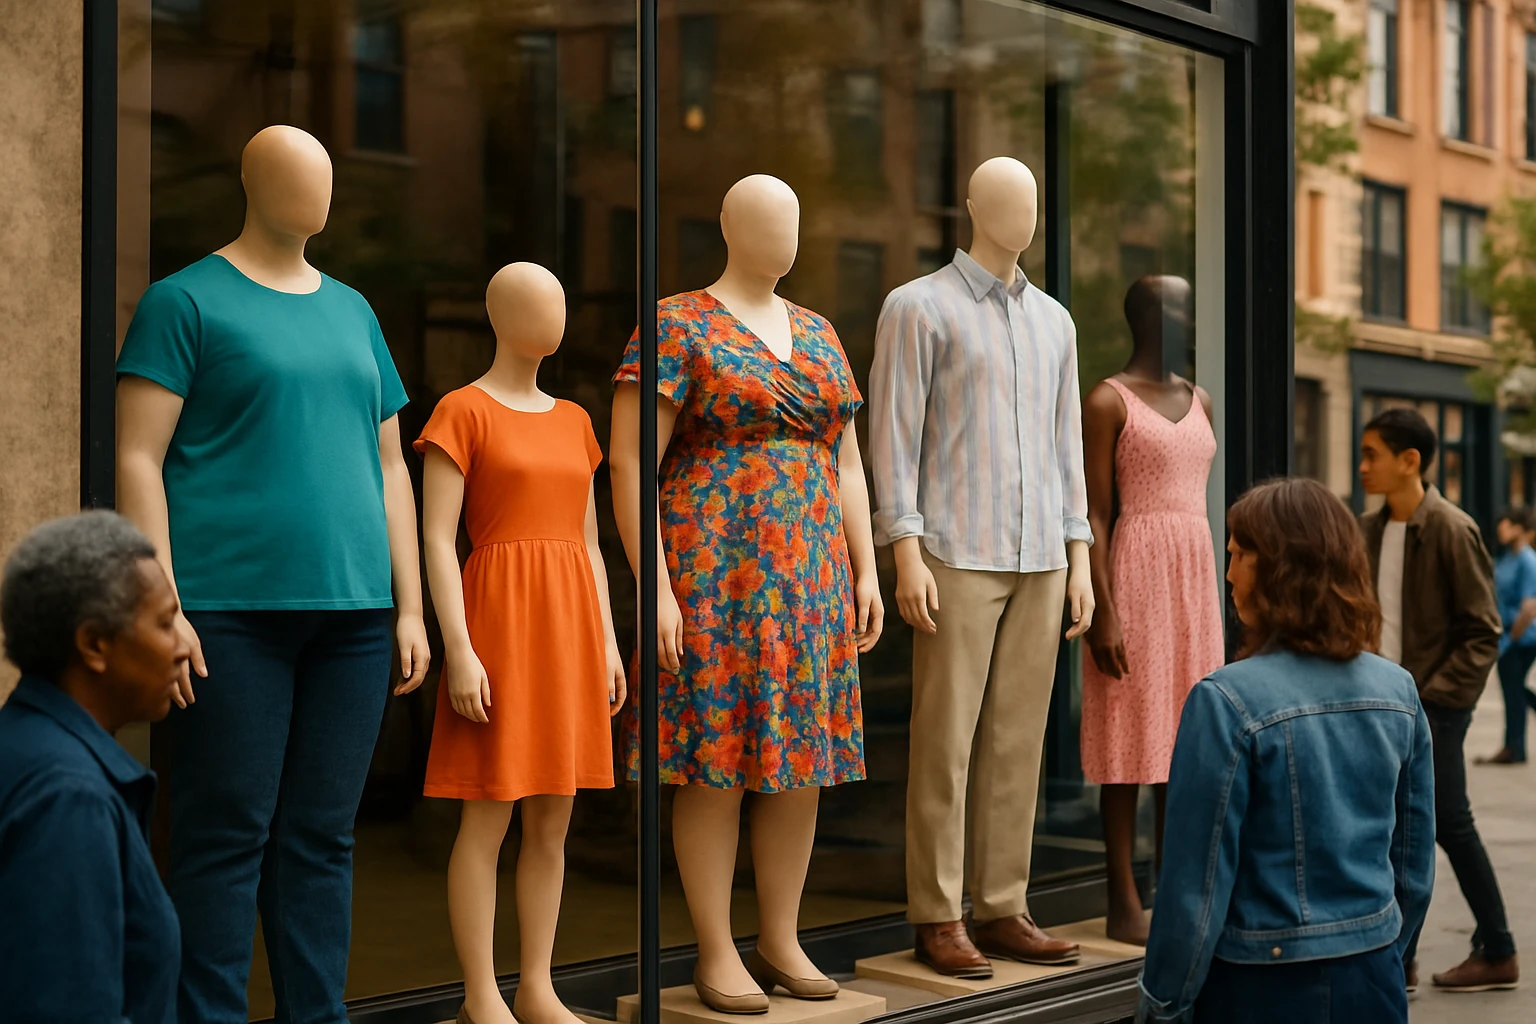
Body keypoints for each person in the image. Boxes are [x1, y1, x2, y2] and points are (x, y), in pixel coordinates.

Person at [1138, 479, 1434, 1024]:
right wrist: (1380, 947)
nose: (1227, 574)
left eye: (1238, 554)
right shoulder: (1398, 692)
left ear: (1279, 567)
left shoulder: (1225, 700)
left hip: (1260, 987)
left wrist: (1162, 1005)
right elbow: (1413, 871)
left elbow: (1193, 891)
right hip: (1373, 978)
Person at [0, 512, 191, 1024]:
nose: (180, 647)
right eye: (163, 622)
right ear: (93, 645)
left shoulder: (24, 742)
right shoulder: (68, 799)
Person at [1358, 407, 1514, 991]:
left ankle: (1496, 949)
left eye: (1373, 453)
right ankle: (1404, 959)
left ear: (1410, 460)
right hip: (1383, 705)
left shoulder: (1451, 527)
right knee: (1397, 826)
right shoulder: (1367, 528)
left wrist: (1437, 703)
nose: (1363, 465)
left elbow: (1482, 631)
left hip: (1435, 709)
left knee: (1446, 821)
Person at [1477, 506, 1536, 765]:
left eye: (1508, 524)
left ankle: (1514, 747)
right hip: (1508, 637)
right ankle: (1513, 745)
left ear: (1521, 529)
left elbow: (1529, 606)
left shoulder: (1526, 559)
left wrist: (1511, 638)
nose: (1501, 528)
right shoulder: (1507, 558)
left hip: (1521, 639)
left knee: (1513, 690)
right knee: (1513, 690)